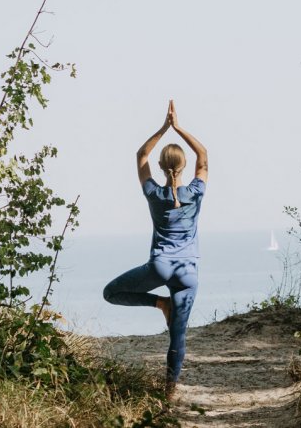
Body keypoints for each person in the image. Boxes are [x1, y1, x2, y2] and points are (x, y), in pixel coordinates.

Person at [103, 100, 208, 399]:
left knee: (111, 293)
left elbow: (141, 154)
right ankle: (169, 391)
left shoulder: (153, 193)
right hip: (188, 271)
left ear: (161, 167)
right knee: (178, 334)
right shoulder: (195, 193)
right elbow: (203, 154)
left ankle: (159, 304)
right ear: (184, 165)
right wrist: (179, 127)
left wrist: (164, 128)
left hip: (161, 265)